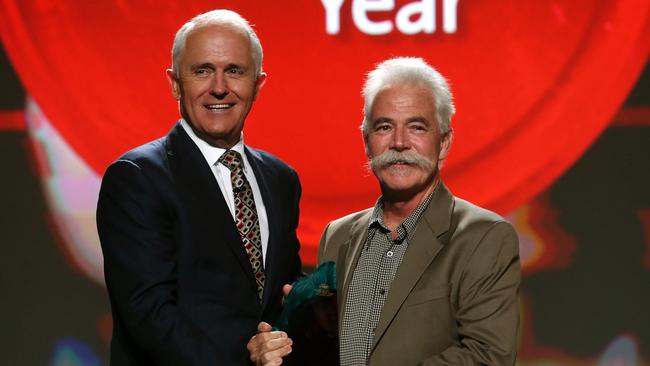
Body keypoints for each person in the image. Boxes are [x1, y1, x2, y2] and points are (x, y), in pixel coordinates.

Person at [248, 57, 520, 365]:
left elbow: (488, 356)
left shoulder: (484, 237)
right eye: (384, 127)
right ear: (367, 142)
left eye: (417, 127)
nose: (399, 142)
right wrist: (283, 344)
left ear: (444, 142)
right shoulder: (337, 235)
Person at [96, 9, 302, 365]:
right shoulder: (136, 177)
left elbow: (282, 298)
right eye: (202, 70)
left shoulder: (280, 179)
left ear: (258, 83)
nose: (219, 86)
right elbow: (150, 316)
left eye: (234, 71)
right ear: (175, 82)